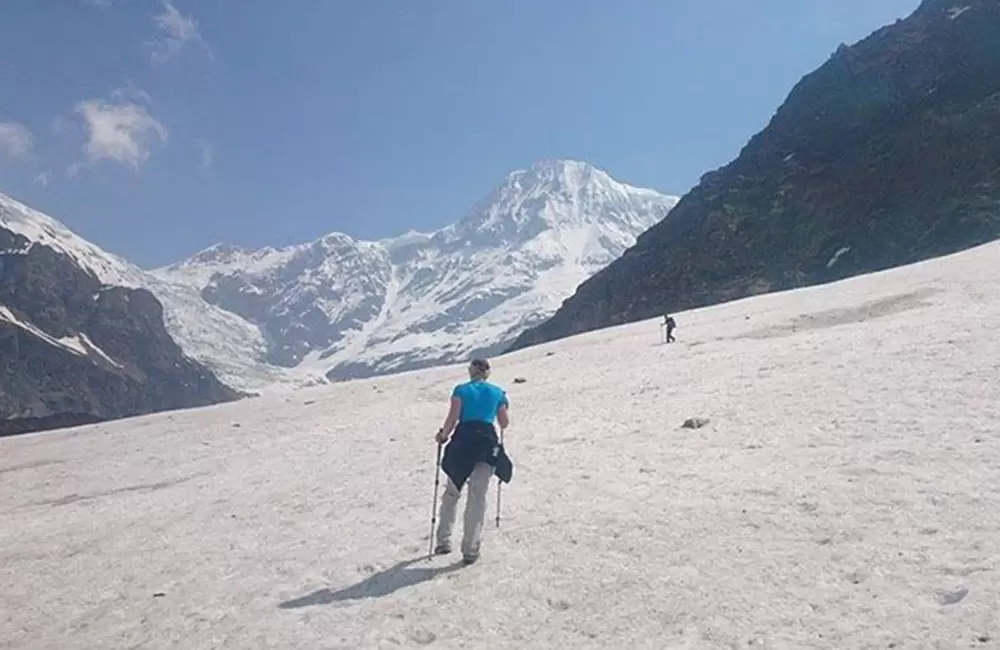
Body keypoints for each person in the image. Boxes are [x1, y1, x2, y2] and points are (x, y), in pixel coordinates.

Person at [433, 358, 512, 565]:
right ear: (486, 373)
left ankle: (443, 540)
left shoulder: (461, 390)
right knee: (477, 496)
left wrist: (443, 435)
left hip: (462, 443)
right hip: (486, 444)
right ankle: (471, 548)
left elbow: (452, 419)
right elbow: (504, 423)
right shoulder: (498, 392)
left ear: (472, 371)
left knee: (452, 491)